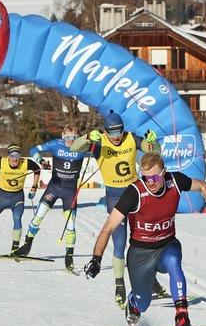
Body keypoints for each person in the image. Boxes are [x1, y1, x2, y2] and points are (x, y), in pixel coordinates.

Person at [84, 152, 206, 326]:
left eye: (154, 177)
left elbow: (201, 185)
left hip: (166, 245)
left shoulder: (175, 181)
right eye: (146, 178)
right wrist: (96, 259)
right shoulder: (134, 193)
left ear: (164, 172)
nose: (150, 182)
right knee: (143, 302)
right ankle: (133, 304)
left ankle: (182, 315)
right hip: (140, 253)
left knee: (173, 261)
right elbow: (108, 228)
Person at [71, 110, 166, 307]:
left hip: (136, 192)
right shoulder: (99, 143)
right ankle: (119, 285)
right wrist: (87, 137)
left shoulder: (130, 138)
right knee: (119, 243)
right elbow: (74, 148)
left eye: (119, 132)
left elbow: (155, 152)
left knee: (145, 240)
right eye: (112, 133)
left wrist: (154, 141)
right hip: (115, 197)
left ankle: (152, 281)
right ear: (105, 131)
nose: (116, 137)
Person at [14, 125, 89, 270]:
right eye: (67, 137)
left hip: (70, 192)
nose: (70, 141)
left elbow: (100, 149)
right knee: (38, 216)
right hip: (54, 188)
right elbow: (33, 150)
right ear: (62, 136)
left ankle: (69, 257)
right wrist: (41, 162)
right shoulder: (56, 144)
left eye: (74, 138)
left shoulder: (83, 146)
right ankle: (27, 245)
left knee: (71, 225)